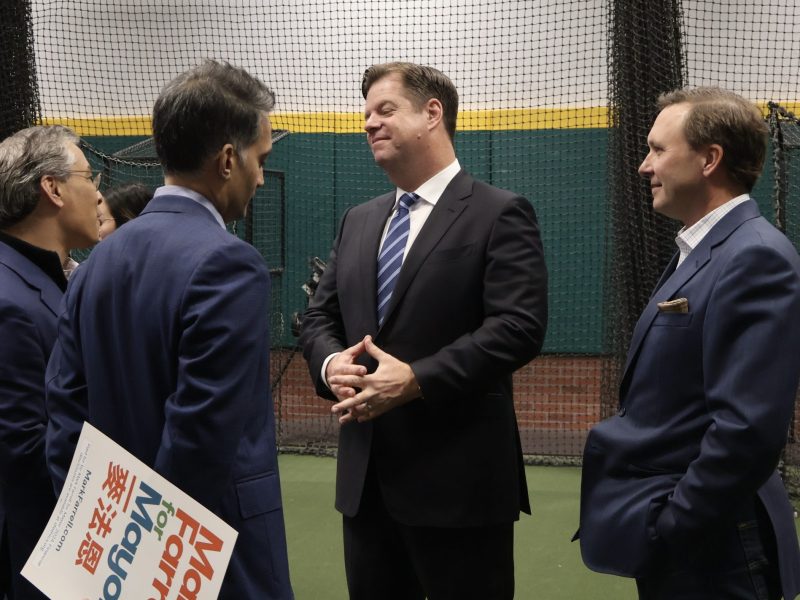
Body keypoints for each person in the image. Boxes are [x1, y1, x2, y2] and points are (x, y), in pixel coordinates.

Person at [45, 60, 293, 599]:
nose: (258, 175)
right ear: (229, 159)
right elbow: (200, 439)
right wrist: (151, 556)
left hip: (111, 557)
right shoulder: (231, 264)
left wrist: (112, 544)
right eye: (260, 158)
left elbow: (64, 416)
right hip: (209, 560)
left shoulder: (96, 266)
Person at [300, 62, 548, 600]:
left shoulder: (498, 213)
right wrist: (329, 363)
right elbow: (321, 317)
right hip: (366, 488)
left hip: (459, 487)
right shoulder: (358, 220)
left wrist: (416, 378)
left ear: (432, 114)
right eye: (365, 114)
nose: (369, 124)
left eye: (384, 110)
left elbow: (518, 327)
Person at [576, 87, 800, 599]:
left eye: (657, 149)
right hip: (700, 547)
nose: (643, 166)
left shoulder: (754, 257)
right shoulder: (703, 249)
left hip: (716, 551)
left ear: (709, 160)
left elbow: (747, 430)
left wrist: (672, 525)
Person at [0, 125, 101, 599]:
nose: (98, 194)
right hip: (41, 558)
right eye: (88, 178)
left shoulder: (49, 279)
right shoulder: (10, 301)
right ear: (52, 188)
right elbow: (24, 456)